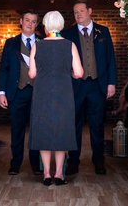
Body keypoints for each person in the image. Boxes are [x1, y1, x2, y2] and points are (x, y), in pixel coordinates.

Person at [28, 10, 84, 186]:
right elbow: (80, 72)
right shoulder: (70, 45)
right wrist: (70, 74)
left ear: (45, 25)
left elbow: (32, 74)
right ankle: (59, 174)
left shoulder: (38, 45)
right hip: (64, 93)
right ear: (61, 25)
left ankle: (46, 173)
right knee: (62, 131)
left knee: (43, 130)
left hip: (43, 93)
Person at [63, 0, 117, 175]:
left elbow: (110, 60)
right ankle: (73, 162)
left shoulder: (104, 32)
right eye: (75, 12)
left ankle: (99, 161)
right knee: (74, 125)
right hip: (75, 87)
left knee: (97, 125)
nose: (78, 14)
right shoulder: (68, 33)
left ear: (90, 11)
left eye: (81, 11)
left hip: (97, 85)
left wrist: (111, 83)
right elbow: (63, 61)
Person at [0, 10, 43, 176]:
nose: (30, 24)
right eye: (27, 20)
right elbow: (4, 69)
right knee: (17, 130)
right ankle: (15, 164)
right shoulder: (10, 43)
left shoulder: (43, 42)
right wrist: (1, 92)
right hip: (17, 92)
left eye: (34, 21)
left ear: (37, 24)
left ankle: (36, 164)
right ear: (21, 21)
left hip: (38, 93)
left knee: (37, 130)